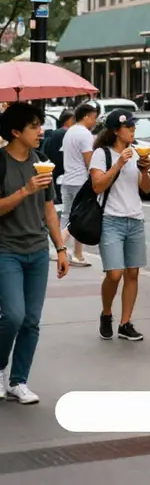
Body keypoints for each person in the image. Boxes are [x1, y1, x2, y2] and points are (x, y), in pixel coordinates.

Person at [0, 102, 69, 405]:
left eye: (40, 125)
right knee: (13, 316)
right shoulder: (0, 163)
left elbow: (49, 210)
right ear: (16, 131)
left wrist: (61, 248)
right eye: (34, 126)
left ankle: (19, 381)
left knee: (31, 320)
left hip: (38, 252)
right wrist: (25, 190)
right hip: (6, 251)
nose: (41, 131)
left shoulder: (42, 161)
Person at [90, 109, 150, 342]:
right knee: (114, 274)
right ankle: (107, 313)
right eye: (129, 127)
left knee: (133, 273)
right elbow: (97, 186)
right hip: (111, 219)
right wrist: (118, 164)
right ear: (116, 130)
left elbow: (146, 188)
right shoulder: (101, 154)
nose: (133, 130)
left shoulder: (137, 153)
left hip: (135, 218)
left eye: (134, 127)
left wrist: (144, 170)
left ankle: (125, 323)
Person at [59, 101, 99, 267]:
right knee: (79, 218)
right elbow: (89, 160)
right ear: (86, 117)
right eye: (93, 118)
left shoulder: (69, 132)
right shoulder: (85, 134)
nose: (95, 122)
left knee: (67, 215)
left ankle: (74, 253)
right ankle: (66, 249)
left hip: (67, 179)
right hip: (80, 181)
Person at [43, 109, 75, 205]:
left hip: (55, 173)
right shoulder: (65, 133)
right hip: (62, 175)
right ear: (69, 120)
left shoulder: (56, 133)